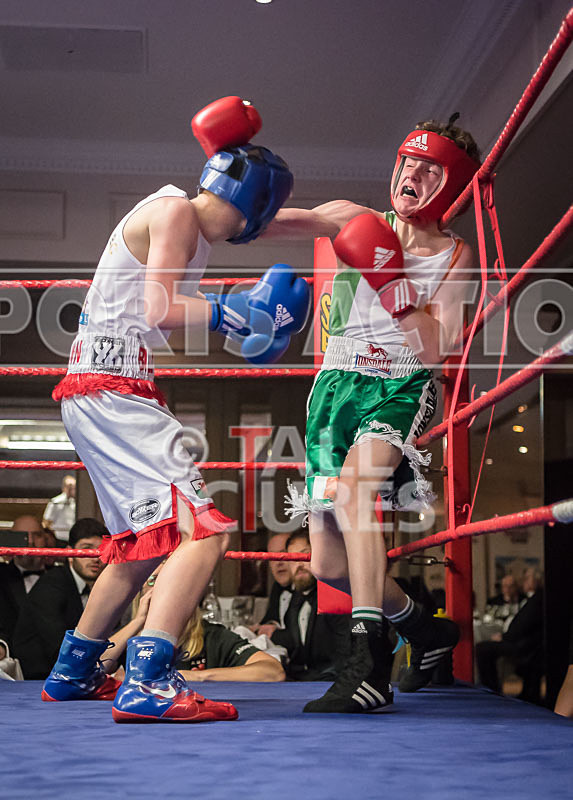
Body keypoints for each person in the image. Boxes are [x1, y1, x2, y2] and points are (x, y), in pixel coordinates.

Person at [42, 96, 309, 724]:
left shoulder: (182, 216)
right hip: (112, 388)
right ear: (253, 207)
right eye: (262, 218)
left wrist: (331, 226)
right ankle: (150, 680)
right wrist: (236, 309)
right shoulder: (175, 213)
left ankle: (73, 669)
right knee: (207, 530)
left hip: (98, 388)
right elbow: (162, 309)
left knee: (138, 549)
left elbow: (276, 222)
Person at [263, 116, 480, 712]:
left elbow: (437, 347)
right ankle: (423, 629)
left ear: (451, 188)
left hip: (400, 385)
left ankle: (367, 663)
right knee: (329, 561)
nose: (410, 175)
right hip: (335, 387)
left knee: (359, 491)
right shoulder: (353, 219)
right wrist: (231, 188)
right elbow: (269, 224)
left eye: (428, 169)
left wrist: (395, 286)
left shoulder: (457, 257)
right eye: (407, 162)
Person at [13, 518, 106, 679]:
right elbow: (60, 650)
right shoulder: (52, 585)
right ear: (70, 553)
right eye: (87, 549)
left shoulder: (101, 586)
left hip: (70, 676)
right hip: (38, 681)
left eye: (100, 550)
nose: (94, 557)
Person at [269, 531, 354, 682]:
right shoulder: (295, 600)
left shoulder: (337, 595)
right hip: (305, 682)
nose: (299, 564)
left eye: (305, 555)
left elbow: (346, 659)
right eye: (293, 559)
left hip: (333, 682)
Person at [476, 567, 545, 703]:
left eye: (527, 578)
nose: (523, 582)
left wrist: (505, 637)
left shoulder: (536, 598)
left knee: (482, 649)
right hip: (528, 643)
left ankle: (491, 690)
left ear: (535, 581)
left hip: (527, 646)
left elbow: (523, 625)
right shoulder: (536, 598)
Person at [0, 516, 49, 660]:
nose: (31, 542)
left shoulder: (61, 575)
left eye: (37, 535)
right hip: (12, 660)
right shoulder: (1, 576)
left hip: (53, 661)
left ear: (46, 539)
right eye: (22, 536)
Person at [255, 532, 293, 636]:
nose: (278, 562)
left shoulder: (310, 592)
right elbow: (270, 619)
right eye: (272, 557)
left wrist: (275, 633)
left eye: (284, 554)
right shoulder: (277, 587)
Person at [42, 475, 76, 542]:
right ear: (64, 487)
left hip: (74, 537)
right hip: (58, 537)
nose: (71, 489)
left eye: (73, 487)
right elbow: (46, 523)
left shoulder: (79, 502)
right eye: (69, 486)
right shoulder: (55, 502)